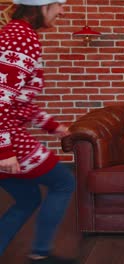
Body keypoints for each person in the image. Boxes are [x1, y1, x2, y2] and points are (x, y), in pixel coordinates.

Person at [0, 1, 77, 264]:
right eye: (58, 5)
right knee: (64, 183)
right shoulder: (22, 37)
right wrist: (5, 151)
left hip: (7, 131)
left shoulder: (15, 32)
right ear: (41, 6)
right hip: (6, 136)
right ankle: (40, 255)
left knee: (28, 198)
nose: (62, 11)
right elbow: (1, 98)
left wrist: (54, 126)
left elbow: (20, 102)